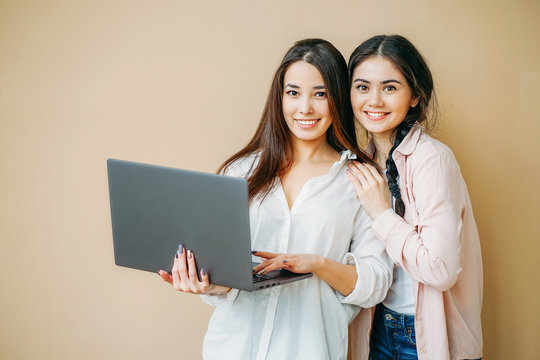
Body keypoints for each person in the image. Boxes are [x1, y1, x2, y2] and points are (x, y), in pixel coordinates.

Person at [158, 38, 393, 359]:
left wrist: (317, 264)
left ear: (337, 98)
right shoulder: (240, 171)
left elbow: (376, 283)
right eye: (293, 93)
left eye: (320, 94)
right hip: (233, 348)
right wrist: (207, 284)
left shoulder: (359, 180)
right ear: (279, 98)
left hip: (309, 350)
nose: (305, 108)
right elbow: (223, 280)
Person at [346, 35, 483, 360]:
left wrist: (382, 214)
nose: (374, 101)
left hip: (424, 337)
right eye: (362, 87)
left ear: (415, 97)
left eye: (390, 88)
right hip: (375, 327)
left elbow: (441, 270)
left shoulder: (432, 159)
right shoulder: (360, 163)